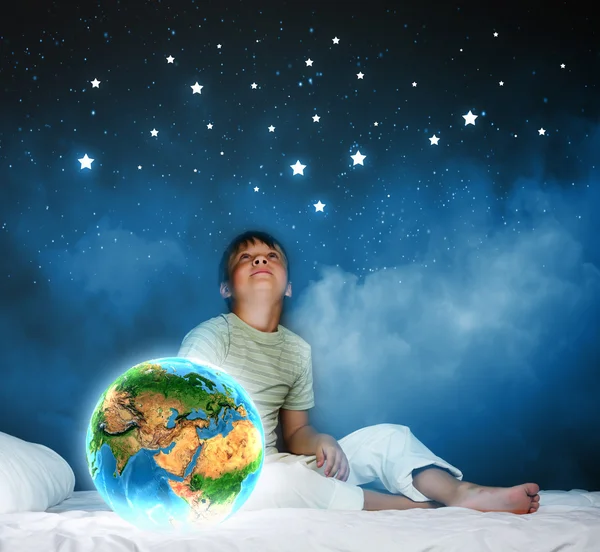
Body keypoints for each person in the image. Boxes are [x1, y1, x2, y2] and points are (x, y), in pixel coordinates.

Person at [177, 230, 541, 514]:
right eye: (247, 258)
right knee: (280, 479)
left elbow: (297, 431)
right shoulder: (213, 336)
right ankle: (409, 509)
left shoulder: (296, 350)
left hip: (280, 461)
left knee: (389, 437)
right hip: (228, 475)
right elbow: (182, 411)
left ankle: (460, 492)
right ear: (226, 287)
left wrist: (320, 442)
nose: (260, 260)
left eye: (271, 256)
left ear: (287, 287)